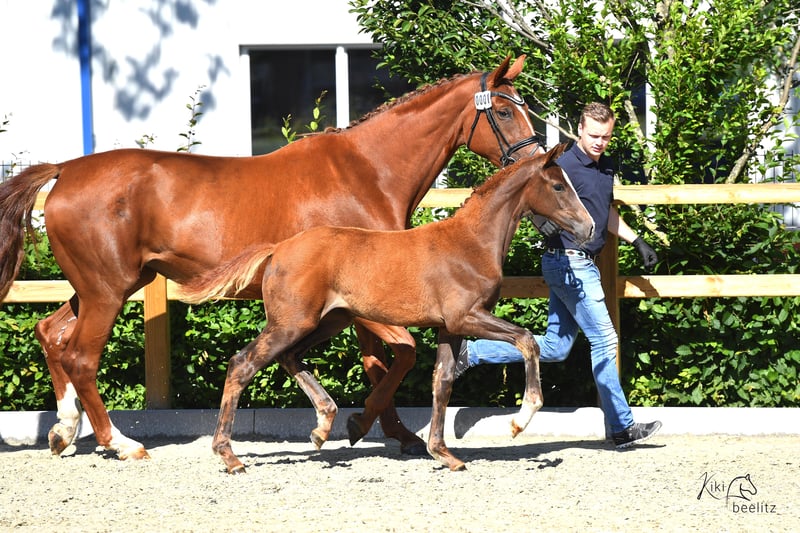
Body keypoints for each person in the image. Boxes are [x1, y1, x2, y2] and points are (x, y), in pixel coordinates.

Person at [455, 102, 662, 449]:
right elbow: (527, 197)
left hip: (580, 263)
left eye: (606, 137)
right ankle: (622, 427)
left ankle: (471, 353)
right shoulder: (561, 165)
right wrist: (545, 225)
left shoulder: (605, 166)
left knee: (555, 347)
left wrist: (636, 240)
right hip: (569, 262)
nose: (599, 142)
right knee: (605, 340)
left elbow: (603, 211)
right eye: (594, 135)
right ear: (580, 130)